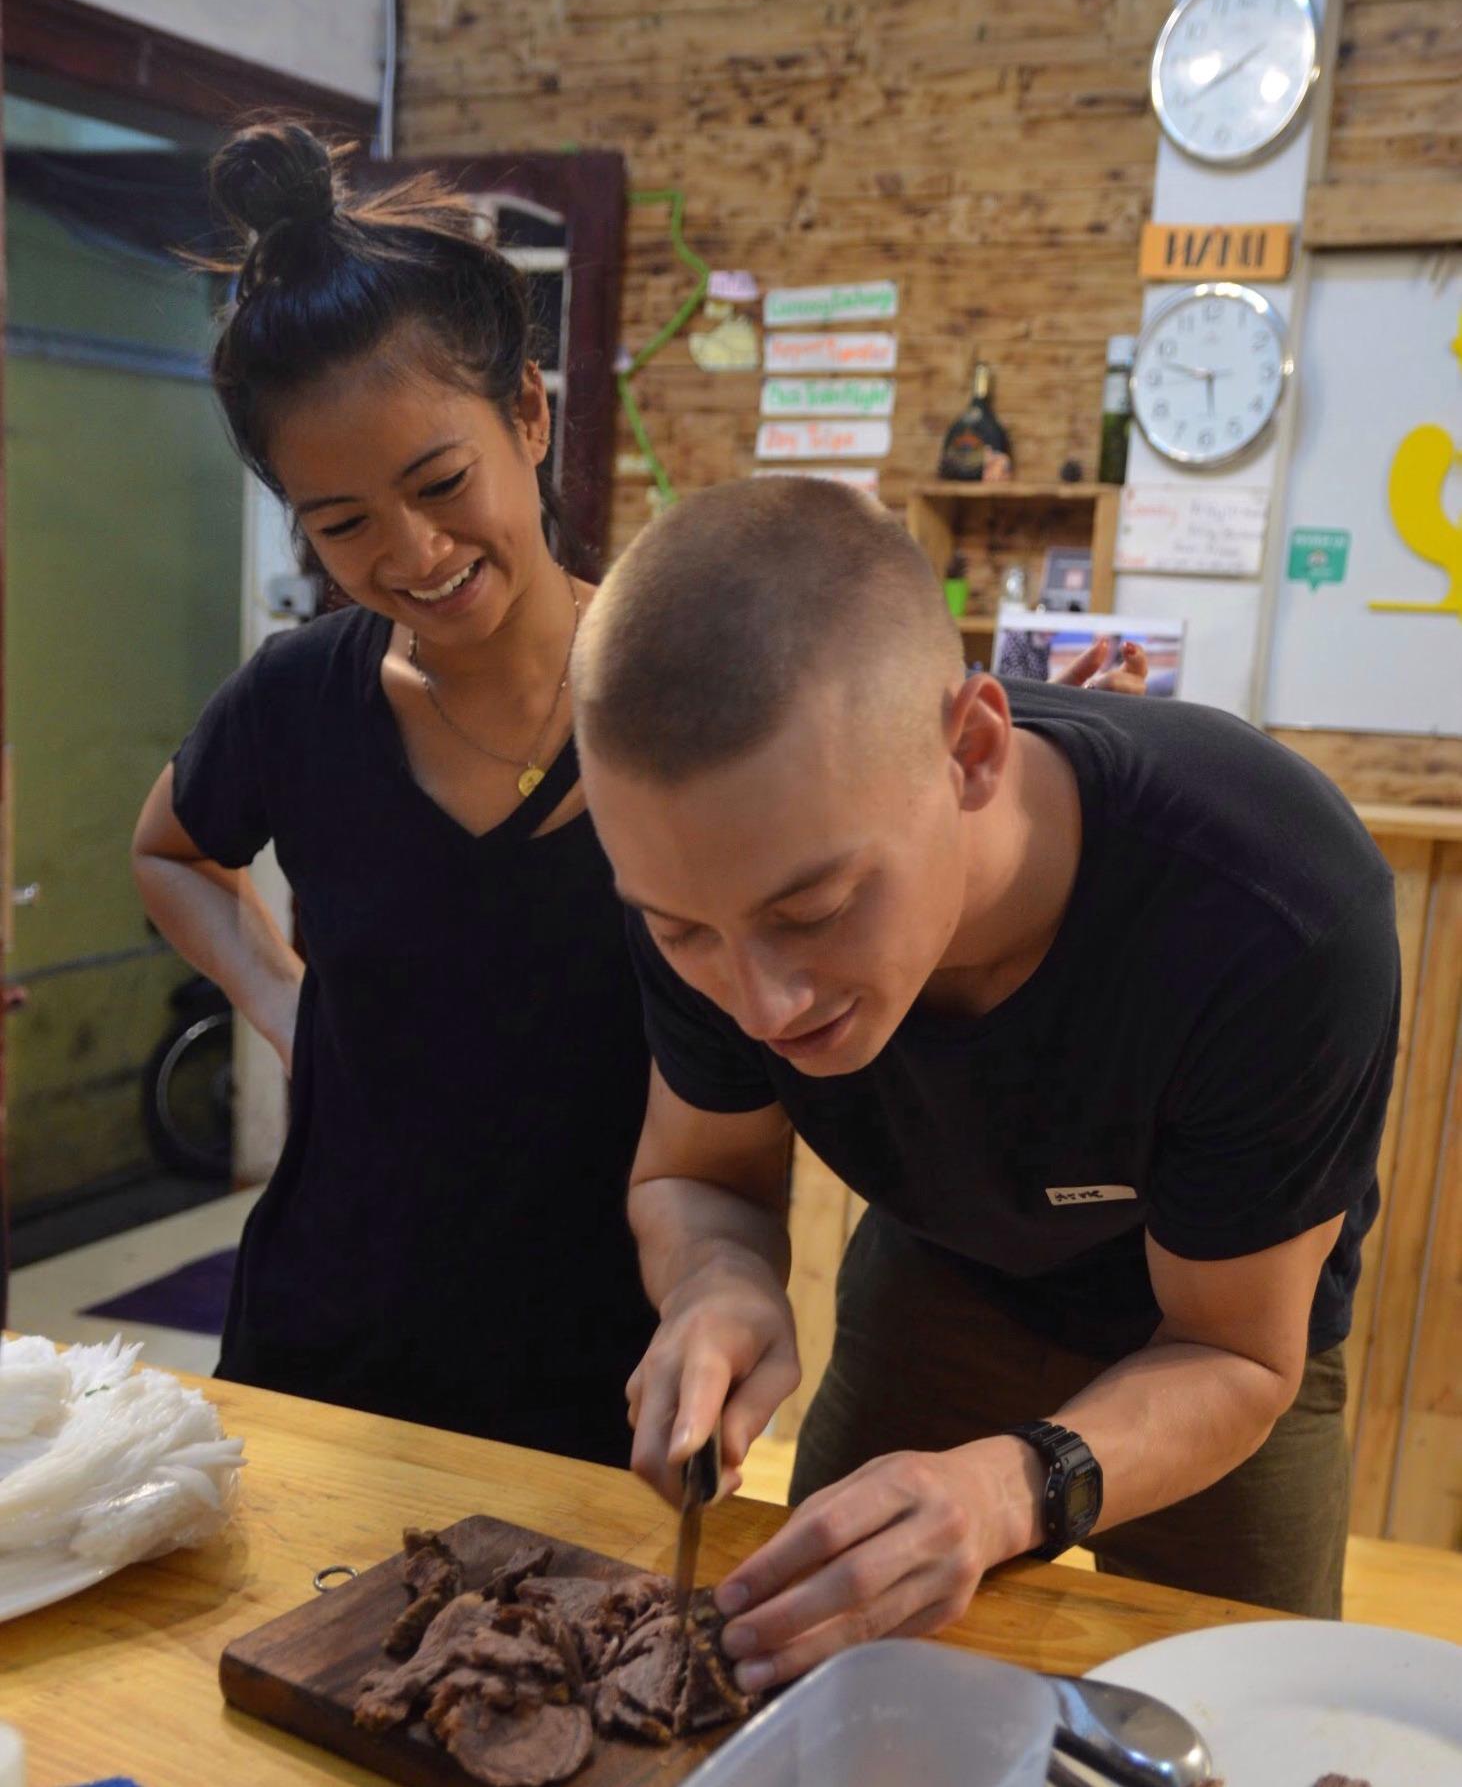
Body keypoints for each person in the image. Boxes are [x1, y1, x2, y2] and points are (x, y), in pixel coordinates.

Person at [570, 476, 1400, 1688]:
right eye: (684, 932)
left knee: (1250, 1720)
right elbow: (700, 1176)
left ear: (970, 751)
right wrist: (716, 1280)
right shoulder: (702, 873)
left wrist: (1015, 1488)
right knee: (815, 1689)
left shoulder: (1274, 910)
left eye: (814, 910)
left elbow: (1236, 1354)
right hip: (941, 1271)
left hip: (1216, 1331)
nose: (762, 1005)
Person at [130, 122, 657, 1464]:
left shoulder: (675, 699)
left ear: (527, 414)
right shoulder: (298, 699)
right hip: (327, 1331)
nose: (414, 552)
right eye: (343, 521)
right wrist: (282, 1000)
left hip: (599, 1352)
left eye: (440, 482)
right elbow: (170, 850)